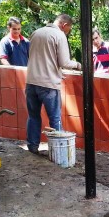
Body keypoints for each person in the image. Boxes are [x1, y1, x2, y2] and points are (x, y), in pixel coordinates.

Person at [25, 14, 82, 154]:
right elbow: (64, 62)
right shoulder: (59, 35)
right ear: (64, 25)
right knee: (55, 119)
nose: (68, 32)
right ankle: (59, 152)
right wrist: (80, 65)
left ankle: (32, 147)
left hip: (31, 82)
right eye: (69, 29)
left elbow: (34, 57)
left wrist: (56, 71)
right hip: (49, 85)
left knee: (33, 116)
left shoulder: (36, 33)